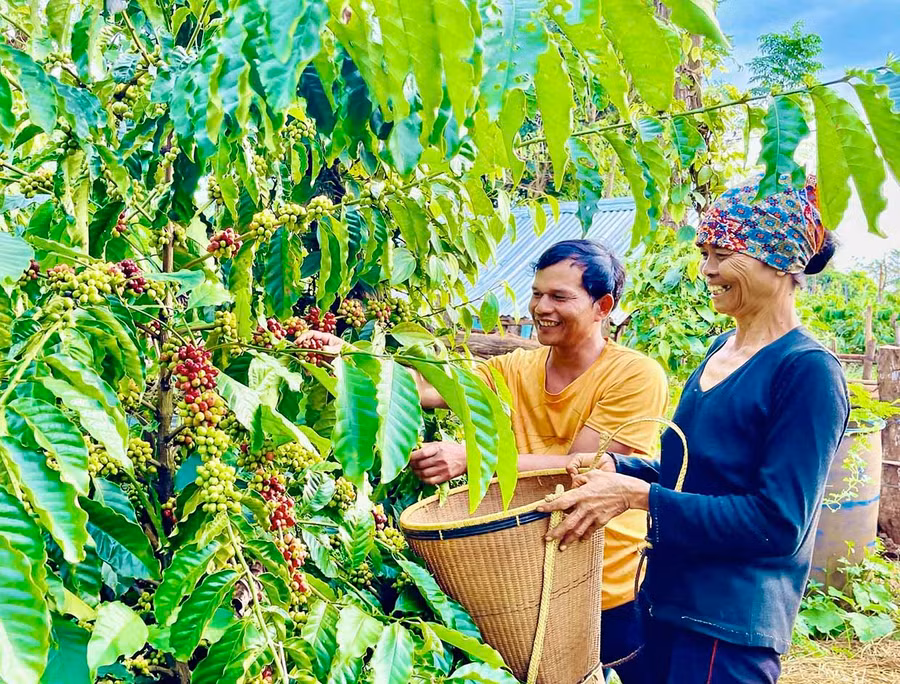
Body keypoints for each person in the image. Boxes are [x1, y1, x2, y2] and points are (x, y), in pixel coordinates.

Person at [300, 240, 668, 681]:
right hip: (522, 577)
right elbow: (434, 387)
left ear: (602, 306)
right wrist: (348, 357)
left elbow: (585, 468)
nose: (540, 307)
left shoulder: (634, 374)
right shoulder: (516, 368)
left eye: (559, 297)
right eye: (537, 293)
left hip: (604, 583)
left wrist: (473, 460)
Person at [538, 177, 850, 684]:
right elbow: (694, 473)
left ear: (783, 259)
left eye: (724, 253)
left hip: (727, 630)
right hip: (665, 606)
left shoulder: (807, 371)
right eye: (705, 252)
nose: (707, 269)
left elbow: (777, 523)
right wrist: (623, 468)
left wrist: (640, 498)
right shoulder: (720, 351)